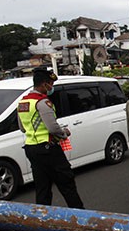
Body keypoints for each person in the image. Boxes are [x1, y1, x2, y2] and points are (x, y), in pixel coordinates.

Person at [17, 69, 84, 209]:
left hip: (31, 148)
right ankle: (81, 218)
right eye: (50, 84)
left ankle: (42, 221)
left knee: (42, 188)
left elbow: (22, 128)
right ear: (44, 84)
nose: (51, 87)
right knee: (67, 184)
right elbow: (53, 128)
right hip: (49, 149)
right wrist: (64, 133)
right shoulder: (42, 103)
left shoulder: (23, 103)